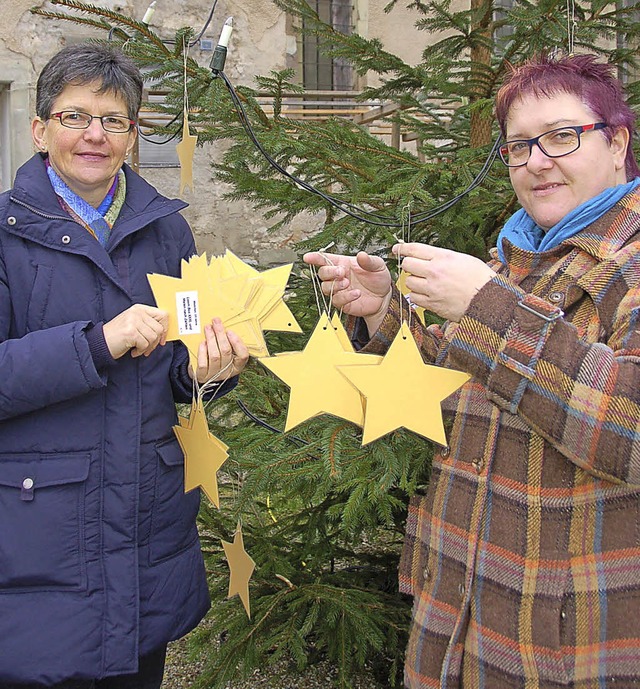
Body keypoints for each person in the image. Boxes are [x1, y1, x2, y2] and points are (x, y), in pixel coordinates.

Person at [304, 53, 640, 688]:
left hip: (566, 633)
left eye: (563, 136)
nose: (538, 161)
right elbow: (469, 385)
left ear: (618, 142)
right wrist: (387, 314)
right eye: (520, 146)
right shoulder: (516, 256)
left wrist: (488, 305)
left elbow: (631, 430)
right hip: (460, 605)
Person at [0, 44, 249, 687]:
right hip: (43, 535)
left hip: (145, 523)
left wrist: (208, 370)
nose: (94, 134)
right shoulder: (4, 235)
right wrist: (94, 344)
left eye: (113, 121)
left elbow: (177, 368)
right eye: (75, 116)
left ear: (133, 135)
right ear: (40, 129)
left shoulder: (168, 234)